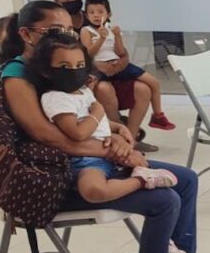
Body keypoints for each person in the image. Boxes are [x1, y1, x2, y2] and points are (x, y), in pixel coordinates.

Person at [0, 0, 210, 253]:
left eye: (69, 29)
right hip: (50, 178)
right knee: (164, 199)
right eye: (55, 31)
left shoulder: (58, 70)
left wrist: (116, 133)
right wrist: (110, 150)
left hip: (85, 159)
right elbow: (46, 137)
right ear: (27, 35)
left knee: (186, 180)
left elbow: (85, 115)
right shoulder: (17, 76)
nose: (67, 37)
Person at [30, 33, 179, 202]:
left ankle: (142, 173)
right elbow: (78, 133)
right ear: (46, 70)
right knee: (94, 190)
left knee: (183, 182)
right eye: (65, 66)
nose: (74, 70)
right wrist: (98, 111)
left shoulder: (83, 91)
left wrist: (118, 127)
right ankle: (142, 180)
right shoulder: (55, 98)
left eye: (79, 65)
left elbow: (94, 122)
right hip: (86, 160)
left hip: (107, 154)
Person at [51, 0, 157, 153]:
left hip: (113, 70)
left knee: (143, 89)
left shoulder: (94, 15)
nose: (72, 0)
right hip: (89, 76)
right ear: (57, 1)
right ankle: (118, 138)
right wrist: (95, 65)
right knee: (105, 90)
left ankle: (131, 138)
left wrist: (122, 60)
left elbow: (116, 47)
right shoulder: (61, 25)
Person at [81, 0, 175, 132]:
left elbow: (120, 52)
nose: (96, 15)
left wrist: (117, 36)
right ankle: (88, 115)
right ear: (86, 15)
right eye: (91, 12)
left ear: (109, 14)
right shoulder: (86, 31)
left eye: (100, 12)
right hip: (99, 67)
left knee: (154, 82)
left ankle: (158, 116)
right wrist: (101, 38)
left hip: (117, 64)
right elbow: (89, 53)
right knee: (91, 87)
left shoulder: (111, 29)